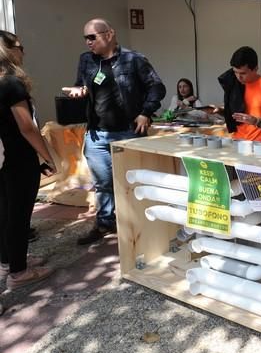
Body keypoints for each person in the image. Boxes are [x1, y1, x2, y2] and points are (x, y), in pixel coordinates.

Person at [66, 18, 166, 245]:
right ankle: (105, 223)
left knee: (134, 180)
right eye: (85, 38)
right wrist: (79, 91)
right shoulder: (86, 60)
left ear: (109, 34)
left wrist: (146, 112)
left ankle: (140, 223)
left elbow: (157, 87)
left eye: (92, 37)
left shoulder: (134, 60)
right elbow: (82, 84)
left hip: (129, 132)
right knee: (103, 183)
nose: (88, 42)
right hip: (97, 134)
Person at [0, 42, 56, 289]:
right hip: (18, 159)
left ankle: (9, 261)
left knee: (5, 212)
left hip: (3, 158)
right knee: (19, 215)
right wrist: (47, 156)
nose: (23, 51)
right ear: (8, 51)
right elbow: (27, 127)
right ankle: (19, 272)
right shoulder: (11, 83)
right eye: (19, 45)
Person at [217, 46, 261, 142]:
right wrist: (221, 111)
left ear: (255, 68)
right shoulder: (233, 84)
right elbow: (236, 113)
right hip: (236, 140)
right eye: (235, 72)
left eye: (243, 73)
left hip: (260, 143)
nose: (239, 77)